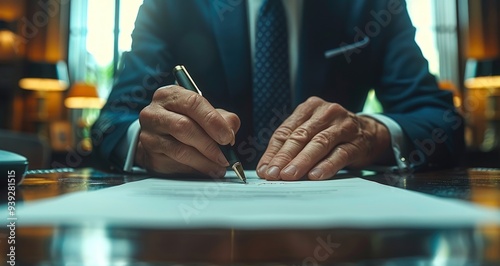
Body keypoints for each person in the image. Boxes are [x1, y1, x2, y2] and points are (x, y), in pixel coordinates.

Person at [92, 0, 465, 181]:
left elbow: (441, 121)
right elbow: (111, 122)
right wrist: (147, 142)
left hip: (335, 236)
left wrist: (370, 135)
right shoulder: (173, 6)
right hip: (195, 242)